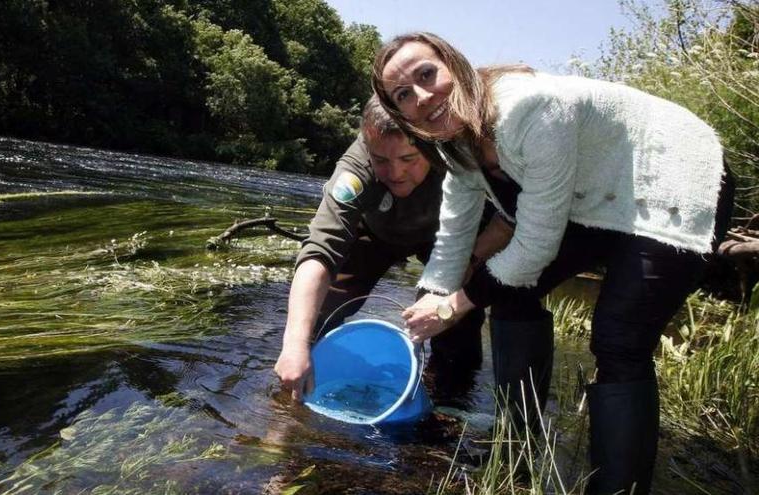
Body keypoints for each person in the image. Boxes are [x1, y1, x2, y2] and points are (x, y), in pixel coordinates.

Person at [371, 32, 735, 494]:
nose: (424, 96)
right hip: (598, 194)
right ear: (401, 112)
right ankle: (517, 444)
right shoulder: (451, 142)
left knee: (619, 339)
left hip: (673, 177)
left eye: (427, 75)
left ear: (454, 65)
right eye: (404, 94)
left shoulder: (531, 108)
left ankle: (618, 489)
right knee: (513, 295)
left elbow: (536, 244)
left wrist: (454, 306)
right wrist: (428, 302)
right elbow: (454, 235)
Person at [273, 95, 531, 405]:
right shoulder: (354, 171)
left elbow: (511, 215)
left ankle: (449, 403)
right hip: (375, 232)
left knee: (453, 324)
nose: (395, 173)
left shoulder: (458, 153)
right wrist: (294, 342)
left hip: (448, 237)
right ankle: (299, 383)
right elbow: (319, 251)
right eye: (381, 160)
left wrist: (471, 263)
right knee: (321, 309)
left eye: (408, 159)